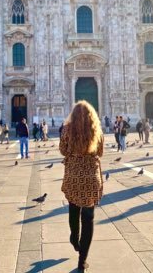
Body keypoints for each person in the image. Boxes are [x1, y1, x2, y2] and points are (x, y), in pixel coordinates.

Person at [59, 100, 104, 273]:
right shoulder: (96, 129)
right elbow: (100, 152)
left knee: (73, 207)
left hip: (73, 176)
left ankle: (73, 236)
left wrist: (74, 152)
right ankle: (82, 261)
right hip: (91, 178)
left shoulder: (67, 129)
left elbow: (63, 150)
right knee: (88, 218)